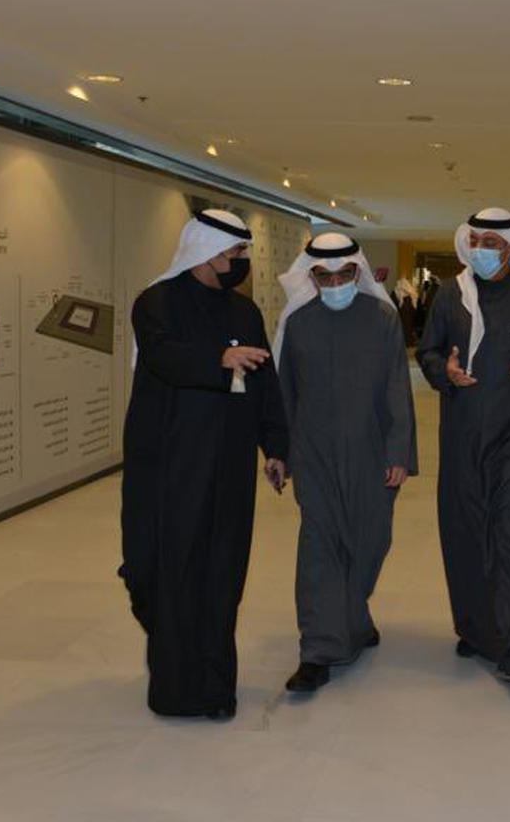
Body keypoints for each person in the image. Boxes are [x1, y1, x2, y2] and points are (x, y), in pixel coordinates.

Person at [121, 208, 289, 720]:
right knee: (163, 572)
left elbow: (264, 382)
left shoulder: (244, 313)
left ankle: (217, 690)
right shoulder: (156, 303)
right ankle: (176, 688)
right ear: (205, 251)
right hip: (170, 466)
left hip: (229, 466)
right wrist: (218, 359)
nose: (240, 262)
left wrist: (276, 446)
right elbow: (162, 356)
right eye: (234, 252)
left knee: (221, 575)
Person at [416, 207, 510, 683]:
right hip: (462, 435)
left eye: (492, 243)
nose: (482, 250)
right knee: (464, 531)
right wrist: (445, 371)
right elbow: (428, 351)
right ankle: (476, 629)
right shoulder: (450, 295)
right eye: (476, 241)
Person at [273, 233, 418, 693]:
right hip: (313, 453)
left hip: (372, 454)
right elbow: (284, 392)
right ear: (311, 277)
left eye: (344, 275)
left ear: (358, 272)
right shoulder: (298, 323)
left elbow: (398, 389)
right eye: (325, 277)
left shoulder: (383, 319)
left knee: (369, 541)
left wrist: (398, 453)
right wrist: (278, 452)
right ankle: (318, 649)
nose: (335, 284)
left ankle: (354, 616)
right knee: (319, 547)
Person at [393, 275, 421, 347]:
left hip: (404, 318)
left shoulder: (403, 296)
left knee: (405, 330)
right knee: (407, 330)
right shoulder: (409, 296)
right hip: (407, 319)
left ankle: (406, 343)